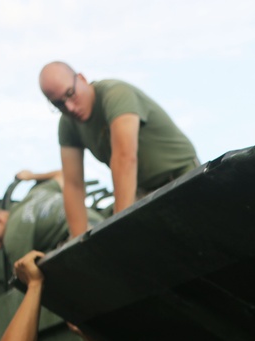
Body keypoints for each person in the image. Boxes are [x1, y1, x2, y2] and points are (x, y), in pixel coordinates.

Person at [39, 61, 200, 237]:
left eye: (70, 94)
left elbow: (124, 157)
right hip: (144, 192)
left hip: (183, 177)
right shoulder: (68, 124)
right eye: (59, 104)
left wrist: (118, 231)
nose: (69, 107)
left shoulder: (115, 94)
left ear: (82, 78)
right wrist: (78, 245)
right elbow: (73, 184)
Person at [0, 169, 104, 264]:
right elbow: (64, 175)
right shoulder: (35, 192)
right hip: (100, 223)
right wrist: (32, 176)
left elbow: (27, 276)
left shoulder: (11, 236)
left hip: (83, 240)